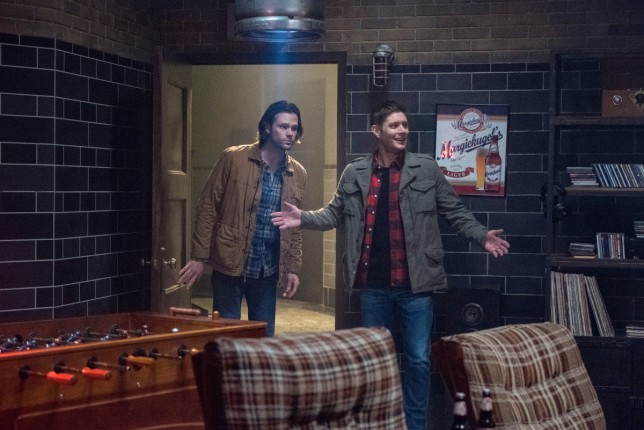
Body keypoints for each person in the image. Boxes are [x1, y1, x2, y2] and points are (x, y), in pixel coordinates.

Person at [271, 100, 509, 430]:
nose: (402, 131)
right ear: (376, 131)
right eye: (394, 125)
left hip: (416, 286)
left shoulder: (426, 169)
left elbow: (455, 212)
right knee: (374, 363)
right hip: (373, 287)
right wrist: (303, 218)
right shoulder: (355, 172)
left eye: (405, 125)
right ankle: (378, 424)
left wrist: (482, 236)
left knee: (418, 360)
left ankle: (415, 426)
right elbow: (333, 213)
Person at [177, 100, 307, 337]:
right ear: (267, 127)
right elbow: (207, 207)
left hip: (267, 269)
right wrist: (199, 256)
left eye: (294, 128)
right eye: (283, 126)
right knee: (226, 337)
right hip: (230, 263)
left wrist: (293, 268)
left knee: (262, 337)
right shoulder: (234, 158)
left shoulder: (297, 173)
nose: (290, 133)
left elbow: (295, 226)